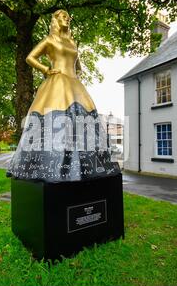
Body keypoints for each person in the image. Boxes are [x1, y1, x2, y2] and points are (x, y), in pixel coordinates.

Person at [7, 10, 120, 182]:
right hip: (57, 81)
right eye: (63, 17)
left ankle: (86, 167)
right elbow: (30, 57)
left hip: (74, 83)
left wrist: (77, 74)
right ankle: (54, 167)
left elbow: (78, 66)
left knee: (86, 121)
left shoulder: (72, 42)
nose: (66, 20)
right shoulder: (50, 40)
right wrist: (46, 69)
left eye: (68, 18)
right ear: (55, 20)